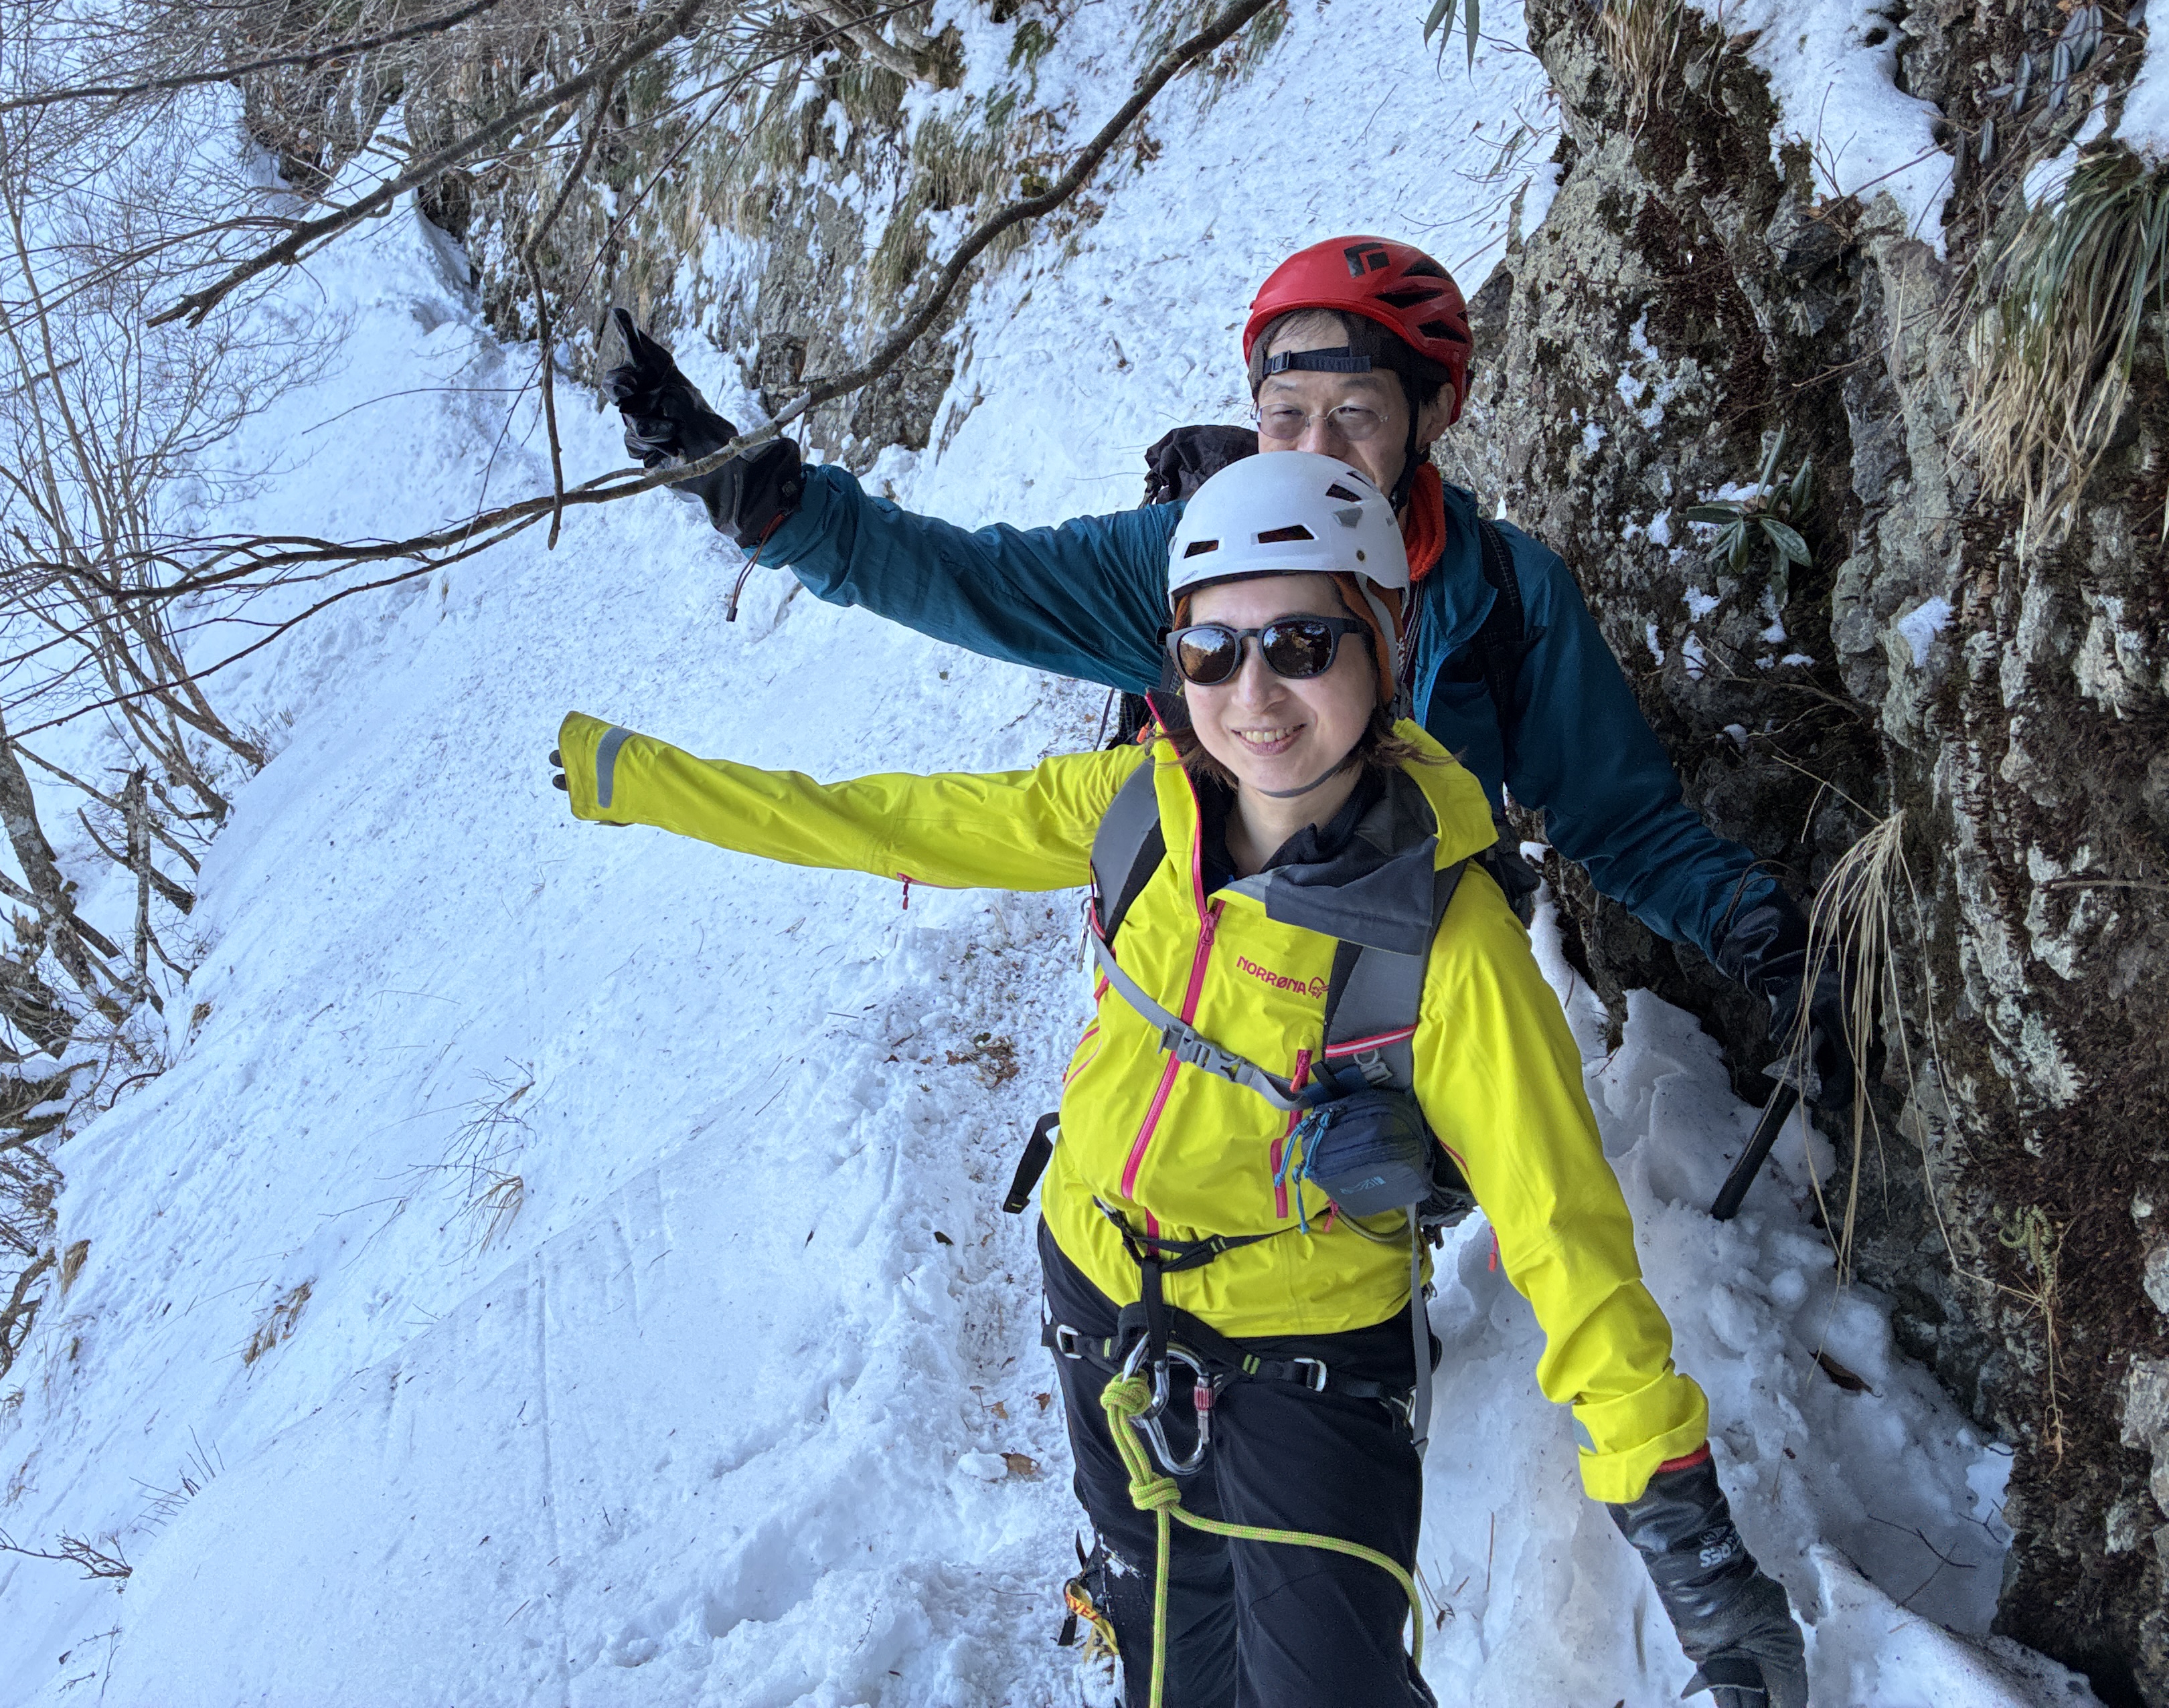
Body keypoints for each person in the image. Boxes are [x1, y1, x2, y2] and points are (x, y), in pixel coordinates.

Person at [548, 453, 1809, 1708]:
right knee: (1168, 1661)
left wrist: (1686, 1537)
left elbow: (1566, 1237)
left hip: (1310, 1358)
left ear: (1384, 646)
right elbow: (894, 821)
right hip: (1099, 1300)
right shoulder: (1138, 810)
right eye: (1211, 651)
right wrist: (644, 783)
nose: (1253, 694)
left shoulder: (1450, 944)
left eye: (1302, 644)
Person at [601, 236, 1852, 1126]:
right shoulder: (1188, 562)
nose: (1317, 450)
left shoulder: (1508, 599)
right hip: (1208, 986)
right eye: (1285, 413)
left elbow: (1619, 820)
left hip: (1402, 1010)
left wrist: (1757, 933)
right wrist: (765, 498)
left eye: (1357, 414)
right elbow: (974, 582)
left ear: (1433, 415)